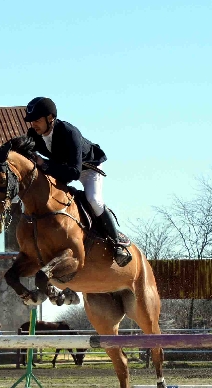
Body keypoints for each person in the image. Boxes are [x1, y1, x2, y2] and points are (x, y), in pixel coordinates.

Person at [23, 97, 132, 267]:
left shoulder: (69, 132)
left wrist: (44, 164)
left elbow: (74, 172)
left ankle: (117, 244)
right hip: (62, 167)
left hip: (88, 169)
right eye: (31, 121)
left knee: (94, 200)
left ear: (50, 118)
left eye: (36, 120)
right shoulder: (34, 135)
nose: (33, 124)